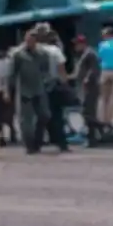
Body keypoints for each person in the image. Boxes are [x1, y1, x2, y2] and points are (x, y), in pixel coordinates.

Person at [4, 29, 51, 154]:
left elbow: (46, 70)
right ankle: (29, 145)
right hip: (24, 91)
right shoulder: (18, 54)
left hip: (39, 89)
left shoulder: (42, 54)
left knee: (44, 115)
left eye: (33, 40)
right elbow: (11, 74)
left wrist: (48, 82)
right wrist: (7, 91)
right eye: (28, 39)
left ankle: (38, 141)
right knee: (26, 120)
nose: (30, 42)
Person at [35, 24, 70, 153]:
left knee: (40, 115)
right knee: (57, 115)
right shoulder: (55, 50)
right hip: (53, 86)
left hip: (37, 86)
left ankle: (36, 144)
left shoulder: (35, 50)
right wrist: (65, 84)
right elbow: (61, 69)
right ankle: (61, 143)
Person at [70, 34, 101, 146]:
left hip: (90, 88)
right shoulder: (84, 54)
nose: (75, 46)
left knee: (88, 113)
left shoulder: (90, 54)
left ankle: (92, 138)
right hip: (85, 88)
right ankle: (97, 134)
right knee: (87, 112)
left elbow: (94, 69)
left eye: (77, 44)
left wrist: (87, 79)